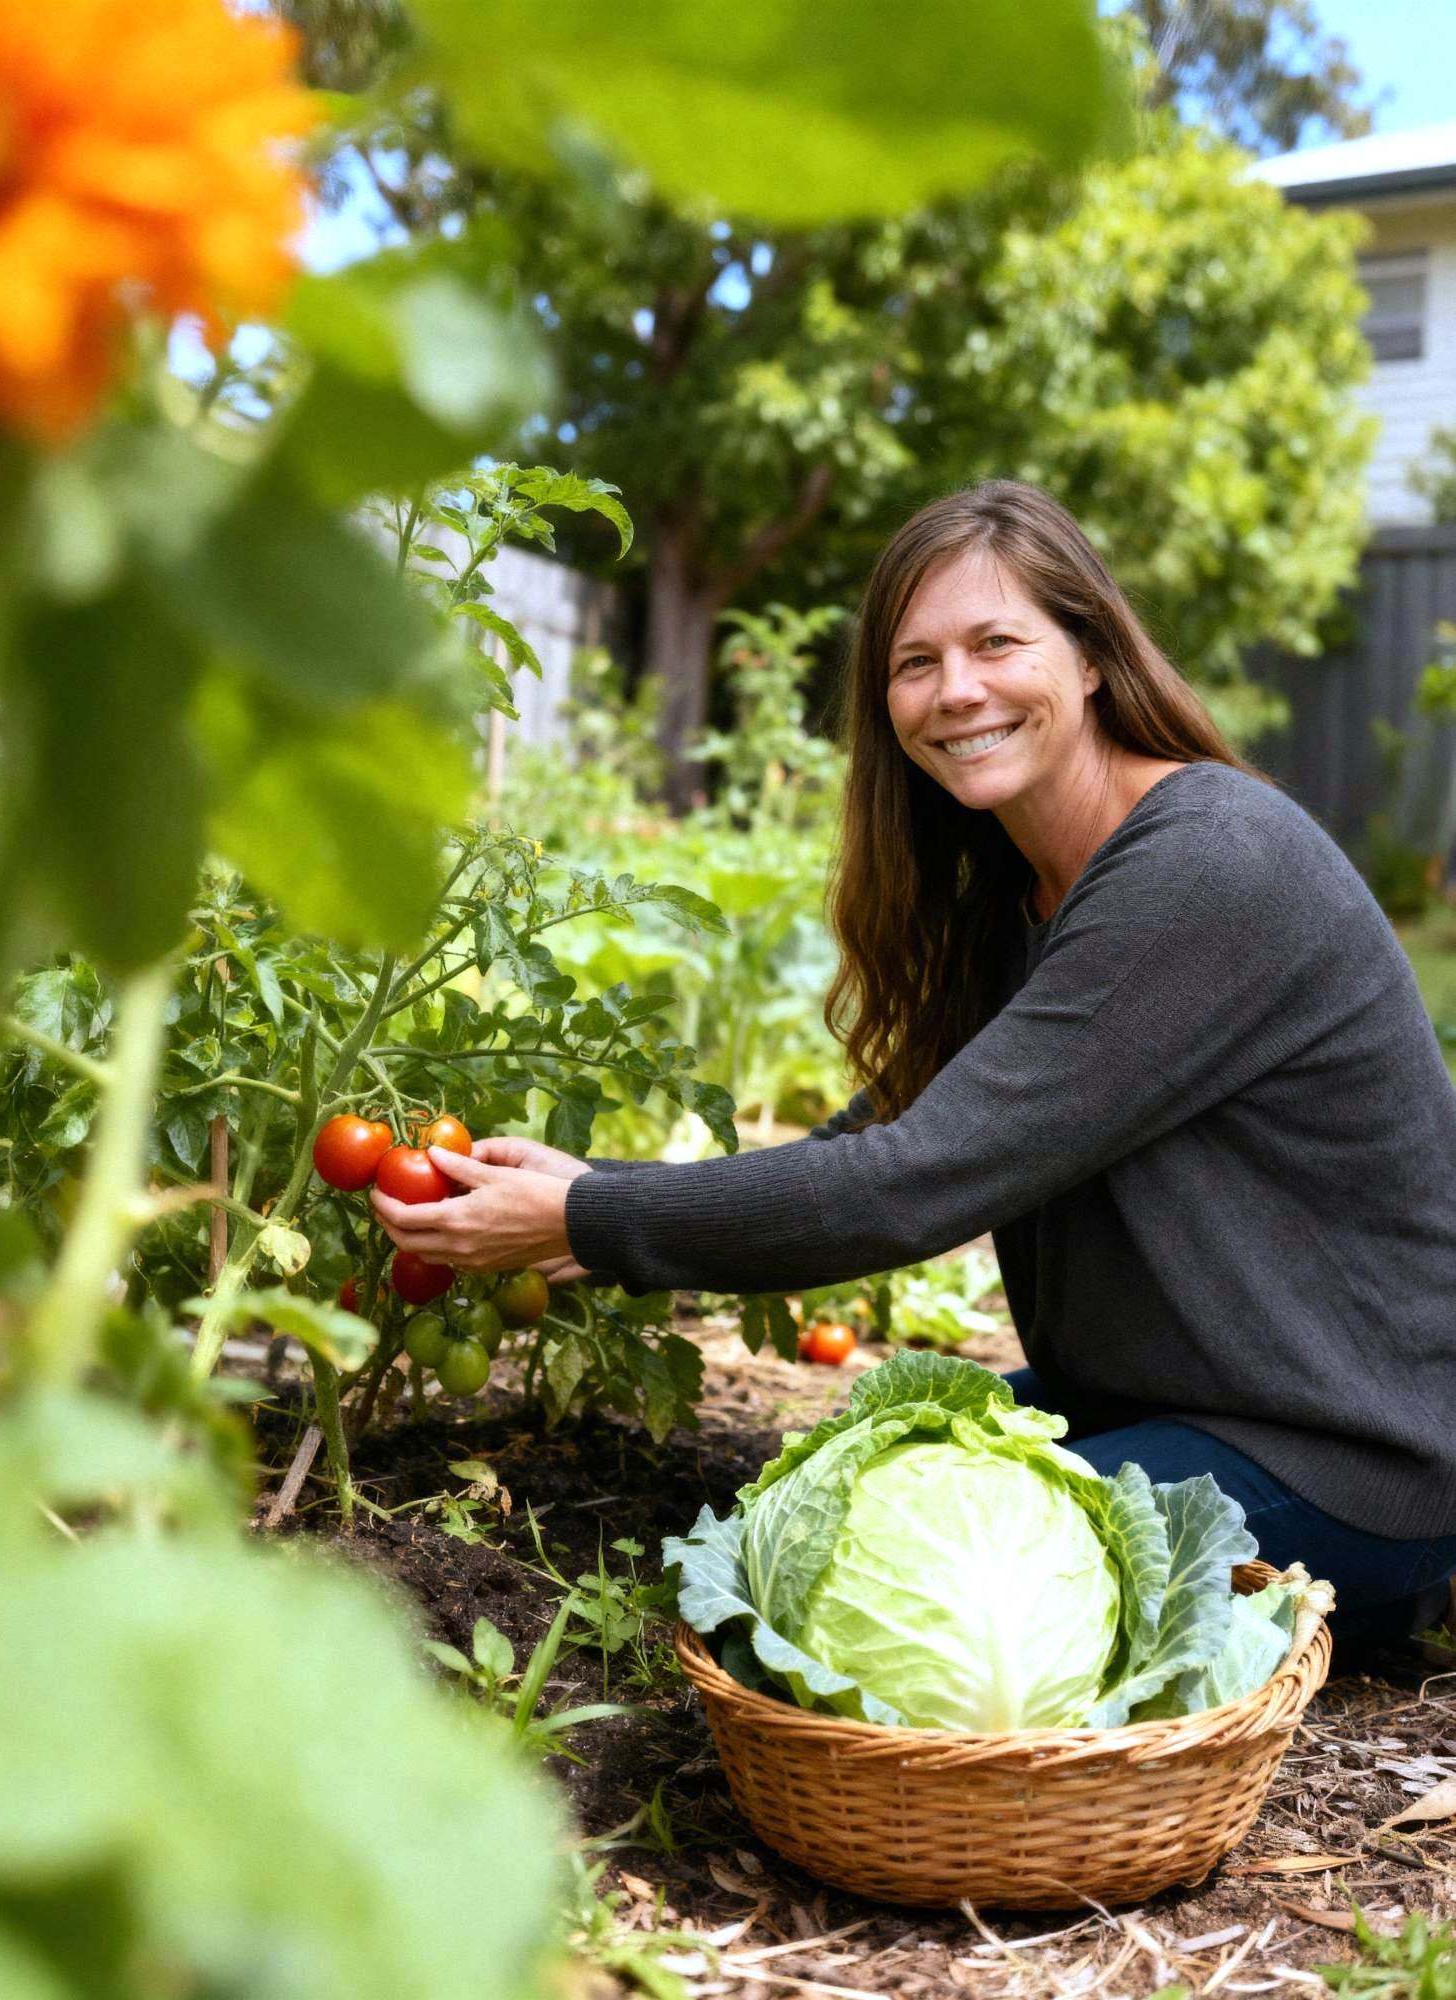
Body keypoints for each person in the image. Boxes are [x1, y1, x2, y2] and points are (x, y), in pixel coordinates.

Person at [373, 480, 1456, 1653]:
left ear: (1089, 657)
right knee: (797, 1514)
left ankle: (1397, 1605)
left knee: (888, 1600)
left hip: (1352, 1461)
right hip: (1177, 1409)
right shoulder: (1024, 889)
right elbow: (872, 1137)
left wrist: (587, 1218)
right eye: (915, 662)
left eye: (996, 643)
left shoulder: (1204, 865)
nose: (956, 691)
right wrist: (595, 1186)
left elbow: (908, 1182)